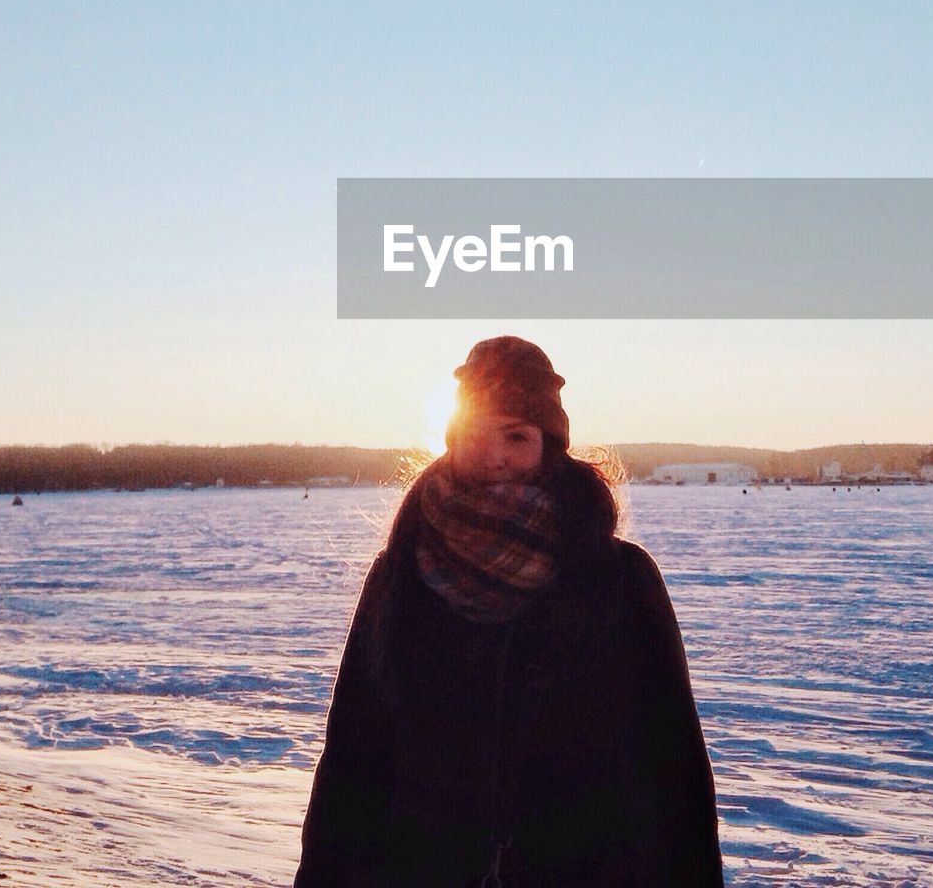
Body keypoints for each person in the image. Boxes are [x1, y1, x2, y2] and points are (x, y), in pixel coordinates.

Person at [293, 336, 724, 888]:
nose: (494, 455)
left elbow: (673, 770)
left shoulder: (619, 580)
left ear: (549, 445)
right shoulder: (402, 573)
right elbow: (353, 758)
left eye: (516, 436)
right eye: (475, 435)